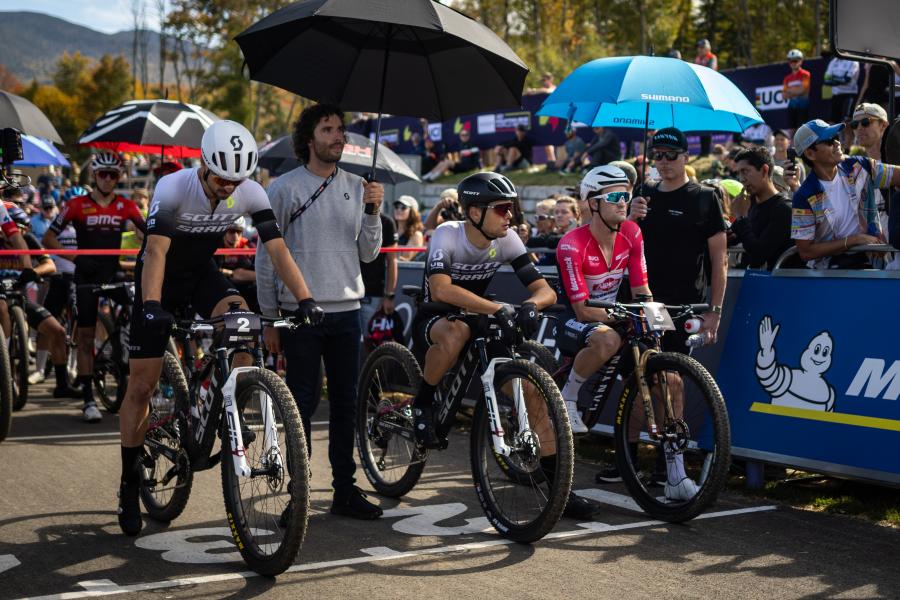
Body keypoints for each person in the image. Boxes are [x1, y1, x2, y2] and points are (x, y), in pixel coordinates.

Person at [116, 119, 322, 537]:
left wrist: (306, 299)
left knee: (242, 321)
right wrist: (153, 305)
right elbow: (155, 251)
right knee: (141, 387)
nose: (229, 186)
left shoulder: (249, 190)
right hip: (159, 279)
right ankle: (128, 483)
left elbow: (278, 249)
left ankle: (229, 392)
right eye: (222, 178)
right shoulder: (173, 188)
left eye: (236, 179)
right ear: (204, 164)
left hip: (201, 275)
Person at [410, 172, 597, 517]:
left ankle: (559, 489)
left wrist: (530, 305)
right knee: (457, 334)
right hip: (436, 318)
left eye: (511, 208)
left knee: (532, 392)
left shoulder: (507, 239)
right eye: (502, 208)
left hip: (479, 317)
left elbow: (546, 290)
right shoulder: (447, 235)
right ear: (474, 212)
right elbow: (440, 289)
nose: (510, 216)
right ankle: (422, 403)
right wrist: (498, 308)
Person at [257, 103, 384, 521]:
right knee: (303, 405)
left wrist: (372, 210)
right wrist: (269, 317)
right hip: (299, 314)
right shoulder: (283, 188)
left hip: (348, 311)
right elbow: (266, 256)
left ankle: (344, 490)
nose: (338, 136)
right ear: (308, 140)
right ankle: (300, 494)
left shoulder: (357, 185)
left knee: (347, 405)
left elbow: (368, 252)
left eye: (341, 128)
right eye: (328, 129)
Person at [42, 152, 146, 424]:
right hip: (85, 276)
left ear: (120, 177)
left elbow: (148, 232)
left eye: (114, 175)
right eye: (103, 174)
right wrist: (76, 258)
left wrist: (147, 246)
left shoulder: (125, 205)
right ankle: (88, 398)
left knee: (140, 310)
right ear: (94, 176)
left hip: (113, 273)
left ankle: (123, 344)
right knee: (86, 337)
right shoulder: (76, 204)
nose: (109, 179)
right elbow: (48, 238)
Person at [555, 166, 650, 434]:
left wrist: (651, 311)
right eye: (613, 197)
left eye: (625, 195)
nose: (622, 202)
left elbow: (641, 287)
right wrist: (625, 315)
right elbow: (583, 311)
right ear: (593, 203)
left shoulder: (631, 233)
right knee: (608, 339)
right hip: (574, 319)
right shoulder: (572, 244)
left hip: (611, 315)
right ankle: (568, 397)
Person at [629, 127, 728, 348]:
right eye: (658, 154)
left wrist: (715, 312)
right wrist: (630, 219)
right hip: (647, 300)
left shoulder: (705, 197)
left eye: (671, 154)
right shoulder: (644, 193)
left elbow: (720, 260)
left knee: (671, 377)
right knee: (645, 373)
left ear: (686, 156)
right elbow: (621, 246)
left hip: (684, 305)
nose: (664, 161)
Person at [791, 119, 900, 269]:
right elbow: (806, 251)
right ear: (810, 154)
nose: (837, 143)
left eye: (836, 137)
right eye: (829, 141)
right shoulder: (803, 196)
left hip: (873, 263)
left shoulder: (858, 165)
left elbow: (898, 175)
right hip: (829, 274)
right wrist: (854, 240)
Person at [849, 103, 897, 269]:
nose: (859, 128)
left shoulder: (896, 166)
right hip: (873, 259)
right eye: (854, 125)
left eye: (866, 122)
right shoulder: (854, 172)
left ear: (884, 125)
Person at [730, 146, 794, 270]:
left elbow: (759, 255)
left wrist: (741, 217)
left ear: (764, 170)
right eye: (738, 173)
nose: (741, 179)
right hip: (751, 282)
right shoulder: (749, 204)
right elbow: (732, 237)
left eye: (745, 171)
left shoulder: (784, 209)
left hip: (776, 284)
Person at [359, 211, 399, 353]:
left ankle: (373, 375)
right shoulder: (346, 215)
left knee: (372, 343)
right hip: (344, 295)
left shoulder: (386, 221)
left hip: (372, 294)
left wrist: (389, 295)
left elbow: (392, 260)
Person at [217, 217, 259, 312]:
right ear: (224, 232)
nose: (235, 236)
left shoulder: (249, 246)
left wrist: (238, 274)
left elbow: (260, 275)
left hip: (247, 290)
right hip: (222, 289)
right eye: (231, 231)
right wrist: (232, 273)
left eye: (239, 232)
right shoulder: (216, 246)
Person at [823, 56, 860, 144]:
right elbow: (826, 79)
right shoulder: (834, 61)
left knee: (847, 123)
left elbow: (847, 80)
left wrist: (834, 79)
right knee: (832, 124)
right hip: (835, 95)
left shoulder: (853, 61)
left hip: (849, 94)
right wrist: (839, 79)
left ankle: (847, 150)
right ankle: (834, 146)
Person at [783, 49, 811, 130]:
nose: (793, 63)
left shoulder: (805, 74)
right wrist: (797, 90)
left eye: (795, 60)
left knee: (801, 130)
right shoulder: (787, 78)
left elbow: (803, 91)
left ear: (801, 61)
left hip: (803, 106)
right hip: (791, 107)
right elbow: (783, 95)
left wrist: (789, 90)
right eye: (790, 61)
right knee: (791, 131)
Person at [392, 195, 424, 261]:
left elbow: (404, 259)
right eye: (396, 207)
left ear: (412, 212)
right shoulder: (390, 231)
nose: (398, 210)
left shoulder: (416, 235)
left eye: (403, 208)